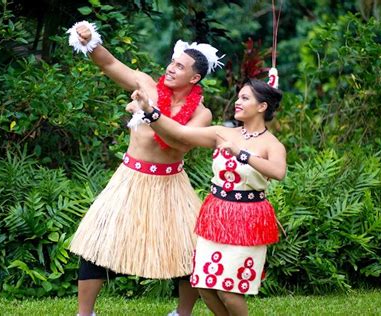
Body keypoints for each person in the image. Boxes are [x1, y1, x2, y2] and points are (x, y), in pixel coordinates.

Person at [67, 22, 224, 316]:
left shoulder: (202, 114)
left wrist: (150, 114)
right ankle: (84, 313)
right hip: (129, 179)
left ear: (196, 77)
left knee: (189, 248)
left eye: (180, 66)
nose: (172, 68)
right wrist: (89, 40)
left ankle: (182, 313)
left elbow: (178, 143)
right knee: (97, 243)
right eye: (173, 62)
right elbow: (110, 63)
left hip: (170, 184)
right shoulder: (146, 86)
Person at [131, 78, 286, 316]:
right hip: (216, 213)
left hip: (248, 218)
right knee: (204, 284)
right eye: (238, 97)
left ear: (262, 106)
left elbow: (278, 172)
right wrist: (150, 111)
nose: (237, 102)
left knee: (229, 291)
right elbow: (180, 133)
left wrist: (241, 154)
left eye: (245, 98)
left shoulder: (271, 144)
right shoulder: (222, 133)